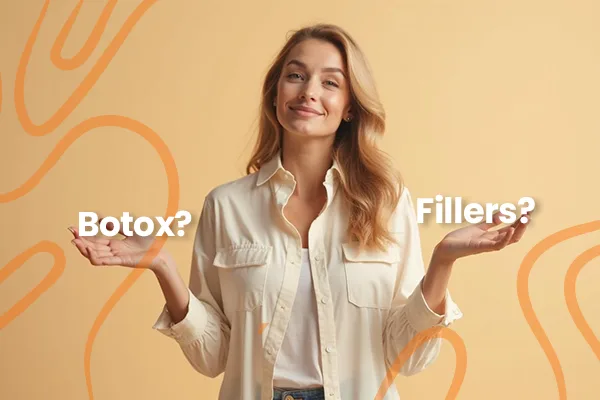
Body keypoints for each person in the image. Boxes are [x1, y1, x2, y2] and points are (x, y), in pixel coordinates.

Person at [68, 23, 531, 400]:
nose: (309, 91)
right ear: (275, 93)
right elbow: (213, 358)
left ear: (349, 107)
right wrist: (162, 266)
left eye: (330, 82)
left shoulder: (388, 204)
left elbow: (407, 358)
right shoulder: (226, 206)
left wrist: (443, 260)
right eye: (296, 75)